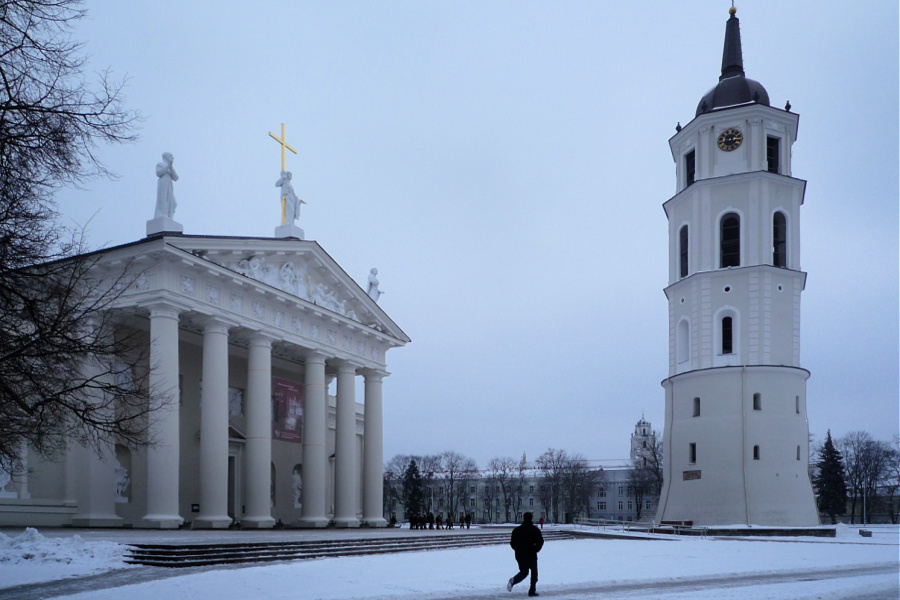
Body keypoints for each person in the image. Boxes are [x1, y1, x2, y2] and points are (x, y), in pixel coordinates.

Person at [507, 512, 544, 597]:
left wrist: (517, 549)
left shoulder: (517, 530)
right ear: (531, 518)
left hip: (520, 555)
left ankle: (514, 580)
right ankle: (532, 591)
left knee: (524, 571)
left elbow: (512, 543)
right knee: (534, 573)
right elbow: (540, 541)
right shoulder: (535, 530)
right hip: (531, 554)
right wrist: (536, 549)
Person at [155, 152, 178, 219]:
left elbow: (176, 178)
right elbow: (158, 173)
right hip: (163, 182)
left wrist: (171, 167)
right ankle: (163, 214)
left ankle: (169, 216)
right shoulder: (160, 165)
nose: (172, 158)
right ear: (166, 156)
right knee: (163, 198)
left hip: (169, 184)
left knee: (173, 202)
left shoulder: (170, 168)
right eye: (171, 156)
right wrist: (168, 165)